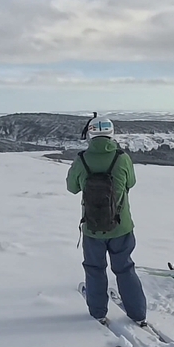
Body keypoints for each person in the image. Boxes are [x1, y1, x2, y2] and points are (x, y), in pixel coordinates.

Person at [66, 116, 147, 326]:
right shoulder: (122, 158)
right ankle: (138, 313)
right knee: (125, 268)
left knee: (94, 269)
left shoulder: (82, 159)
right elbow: (132, 182)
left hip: (92, 227)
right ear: (112, 133)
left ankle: (98, 311)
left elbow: (71, 187)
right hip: (122, 226)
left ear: (90, 133)